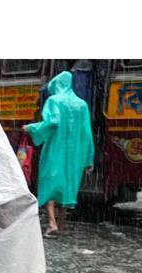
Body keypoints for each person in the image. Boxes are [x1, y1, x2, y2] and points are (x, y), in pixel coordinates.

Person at [24, 70, 94, 237]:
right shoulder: (82, 104)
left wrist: (31, 128)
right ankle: (62, 224)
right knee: (66, 186)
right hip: (75, 154)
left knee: (50, 183)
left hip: (55, 149)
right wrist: (89, 159)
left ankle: (51, 223)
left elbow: (52, 122)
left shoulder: (54, 100)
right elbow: (87, 132)